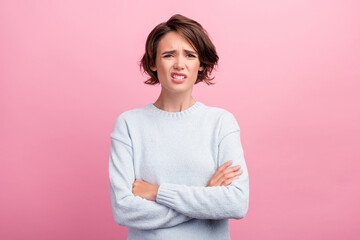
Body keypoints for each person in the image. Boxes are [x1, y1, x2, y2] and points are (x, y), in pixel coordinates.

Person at [109, 14, 249, 240]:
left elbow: (236, 203)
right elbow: (124, 210)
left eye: (190, 55)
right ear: (153, 63)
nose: (179, 64)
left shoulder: (221, 123)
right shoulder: (129, 125)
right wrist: (207, 198)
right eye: (168, 55)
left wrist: (158, 193)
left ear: (201, 64)